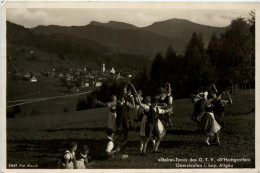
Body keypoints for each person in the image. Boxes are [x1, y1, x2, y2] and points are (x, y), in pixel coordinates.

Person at [130, 83, 172, 154]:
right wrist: (138, 98)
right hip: (149, 124)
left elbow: (164, 111)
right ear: (151, 103)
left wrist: (170, 109)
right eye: (153, 103)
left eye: (156, 103)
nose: (155, 104)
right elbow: (140, 104)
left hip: (155, 124)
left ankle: (155, 149)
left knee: (158, 137)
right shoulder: (148, 108)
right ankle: (143, 150)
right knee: (147, 137)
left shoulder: (157, 108)